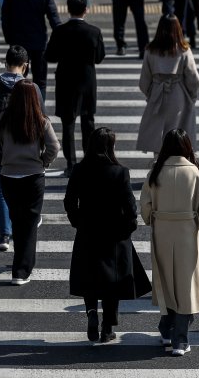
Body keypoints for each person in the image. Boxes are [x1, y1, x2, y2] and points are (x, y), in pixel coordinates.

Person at [64, 127, 151, 343]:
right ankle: (107, 326)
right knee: (113, 280)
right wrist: (128, 229)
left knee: (89, 275)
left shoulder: (80, 169)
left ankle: (92, 312)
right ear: (110, 146)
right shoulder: (119, 172)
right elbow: (130, 207)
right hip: (114, 234)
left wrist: (78, 222)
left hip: (87, 231)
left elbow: (69, 201)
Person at [141, 128, 199, 356]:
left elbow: (145, 206)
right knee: (186, 284)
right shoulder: (196, 171)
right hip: (187, 230)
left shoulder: (156, 171)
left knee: (165, 281)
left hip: (162, 229)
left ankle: (166, 329)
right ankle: (180, 340)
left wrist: (153, 218)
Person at [0, 80, 60, 285]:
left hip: (9, 176)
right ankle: (21, 270)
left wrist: (0, 158)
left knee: (17, 219)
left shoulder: (3, 118)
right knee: (30, 223)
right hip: (33, 176)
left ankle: (21, 265)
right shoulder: (41, 120)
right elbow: (54, 147)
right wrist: (44, 162)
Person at [0, 46, 44, 252]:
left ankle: (4, 236)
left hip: (1, 145)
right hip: (27, 145)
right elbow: (42, 116)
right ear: (25, 65)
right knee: (27, 192)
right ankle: (23, 231)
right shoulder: (32, 88)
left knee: (1, 190)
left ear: (6, 62)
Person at [45, 0, 105, 176]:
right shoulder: (94, 31)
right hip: (87, 80)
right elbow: (100, 57)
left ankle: (71, 164)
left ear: (68, 9)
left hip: (66, 81)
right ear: (85, 9)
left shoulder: (59, 31)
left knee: (68, 124)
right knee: (88, 122)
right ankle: (89, 160)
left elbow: (50, 56)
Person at [136, 15, 199, 154]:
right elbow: (194, 79)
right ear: (178, 29)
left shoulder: (150, 50)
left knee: (158, 134)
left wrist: (151, 94)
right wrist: (191, 97)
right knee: (177, 132)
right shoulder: (183, 50)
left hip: (157, 93)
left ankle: (157, 163)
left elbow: (143, 81)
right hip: (178, 94)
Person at [0, 0, 61, 102]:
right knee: (40, 81)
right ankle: (39, 111)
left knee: (17, 80)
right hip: (39, 42)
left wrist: (9, 39)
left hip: (18, 42)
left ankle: (18, 108)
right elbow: (55, 21)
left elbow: (5, 19)